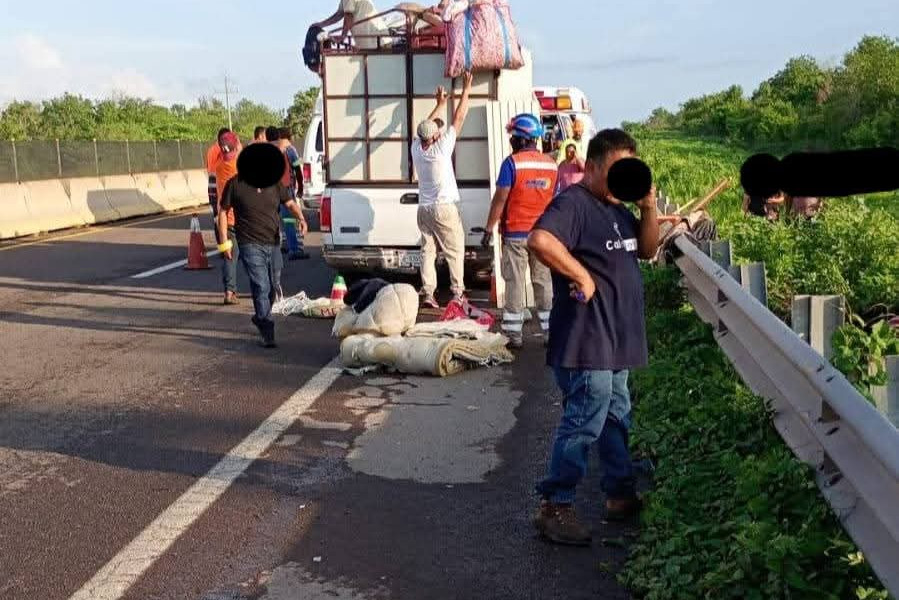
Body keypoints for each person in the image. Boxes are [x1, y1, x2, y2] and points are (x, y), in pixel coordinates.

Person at [528, 129, 659, 546]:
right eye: (617, 170)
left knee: (616, 415)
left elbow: (647, 250)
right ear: (593, 166)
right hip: (586, 340)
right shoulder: (574, 204)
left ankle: (620, 493)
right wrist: (581, 274)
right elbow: (540, 240)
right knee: (586, 418)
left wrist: (649, 207)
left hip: (616, 339)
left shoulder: (617, 208)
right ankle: (555, 505)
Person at [217, 145, 308, 348]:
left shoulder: (273, 182)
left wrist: (301, 218)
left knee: (273, 286)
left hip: (273, 242)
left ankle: (260, 317)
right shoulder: (235, 184)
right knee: (261, 285)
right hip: (249, 243)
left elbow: (290, 203)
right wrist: (224, 242)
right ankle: (267, 330)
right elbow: (223, 211)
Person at [482, 113, 558, 348]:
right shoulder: (551, 165)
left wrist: (489, 229)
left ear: (522, 139)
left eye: (513, 137)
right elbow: (555, 200)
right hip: (543, 234)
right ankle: (550, 332)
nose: (511, 141)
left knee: (514, 282)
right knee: (543, 282)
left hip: (515, 234)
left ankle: (514, 336)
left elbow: (500, 199)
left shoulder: (512, 163)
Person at [411, 71, 474, 309]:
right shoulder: (441, 149)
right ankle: (457, 293)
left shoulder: (416, 149)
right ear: (435, 136)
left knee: (427, 251)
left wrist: (439, 104)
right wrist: (466, 89)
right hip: (443, 207)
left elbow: (424, 128)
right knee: (454, 250)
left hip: (424, 209)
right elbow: (459, 118)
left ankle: (428, 293)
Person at [215, 132, 242, 306]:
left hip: (225, 220)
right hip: (242, 219)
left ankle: (229, 291)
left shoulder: (219, 165)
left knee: (229, 256)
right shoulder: (238, 165)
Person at [276, 127, 310, 260]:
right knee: (289, 219)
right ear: (289, 136)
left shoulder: (275, 149)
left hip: (274, 189)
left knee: (279, 219)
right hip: (287, 189)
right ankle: (294, 249)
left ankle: (284, 245)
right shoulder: (291, 150)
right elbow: (298, 170)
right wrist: (300, 187)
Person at [313, 0, 390, 50]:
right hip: (375, 41)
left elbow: (349, 16)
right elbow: (340, 14)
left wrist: (342, 37)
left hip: (376, 42)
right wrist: (321, 24)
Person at [206, 127, 230, 243]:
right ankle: (227, 242)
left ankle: (220, 244)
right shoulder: (223, 149)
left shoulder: (211, 150)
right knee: (225, 215)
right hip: (220, 184)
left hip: (211, 184)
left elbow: (209, 168)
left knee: (216, 216)